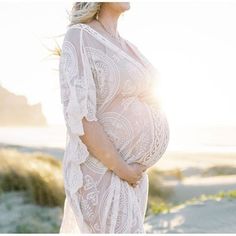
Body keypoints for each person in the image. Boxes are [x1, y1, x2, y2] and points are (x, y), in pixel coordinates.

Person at [58, 2, 170, 233]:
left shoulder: (129, 46)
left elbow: (153, 93)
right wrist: (122, 169)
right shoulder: (79, 35)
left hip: (130, 175)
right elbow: (81, 117)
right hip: (105, 172)